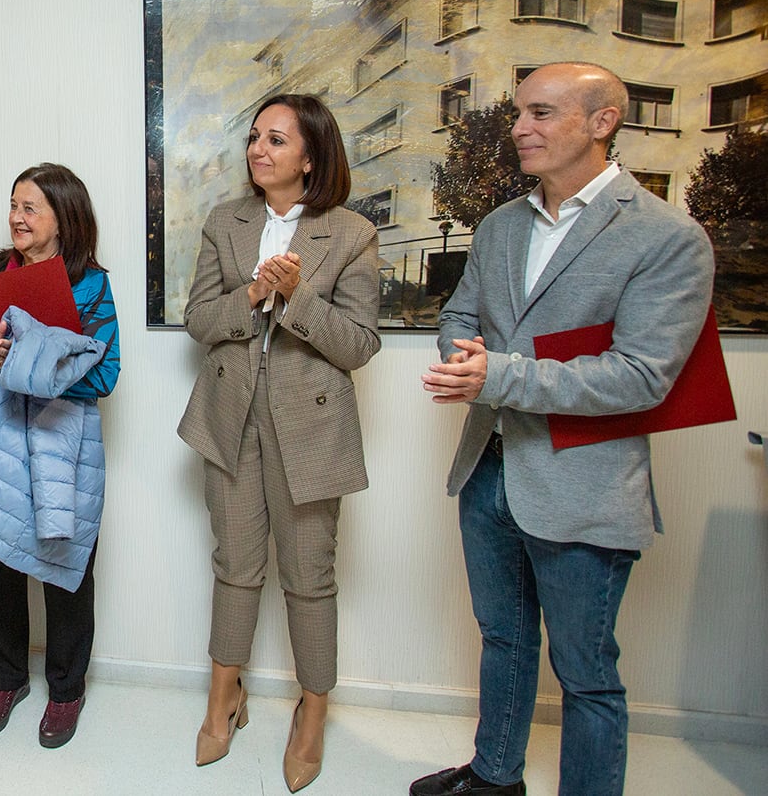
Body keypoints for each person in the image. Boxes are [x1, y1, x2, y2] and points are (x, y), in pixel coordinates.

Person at [413, 62, 714, 796]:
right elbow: (460, 315)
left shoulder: (665, 236)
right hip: (487, 469)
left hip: (585, 483)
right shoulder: (500, 225)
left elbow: (641, 375)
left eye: (541, 113)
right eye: (520, 113)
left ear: (602, 121)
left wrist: (499, 374)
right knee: (503, 638)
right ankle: (493, 778)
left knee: (585, 675)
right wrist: (463, 353)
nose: (519, 128)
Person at [177, 94, 380, 791]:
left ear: (311, 156)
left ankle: (312, 712)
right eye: (253, 137)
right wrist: (251, 297)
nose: (257, 150)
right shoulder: (224, 222)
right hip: (228, 418)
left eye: (275, 139)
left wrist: (295, 300)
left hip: (312, 430)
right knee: (234, 565)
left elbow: (358, 344)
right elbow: (199, 319)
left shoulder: (350, 232)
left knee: (309, 578)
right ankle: (221, 699)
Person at [0, 163, 119, 749]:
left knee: (65, 564)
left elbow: (105, 373)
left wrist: (33, 368)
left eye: (31, 207)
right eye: (14, 205)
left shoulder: (91, 284)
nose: (17, 217)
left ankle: (66, 690)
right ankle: (6, 678)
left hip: (64, 443)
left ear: (64, 217)